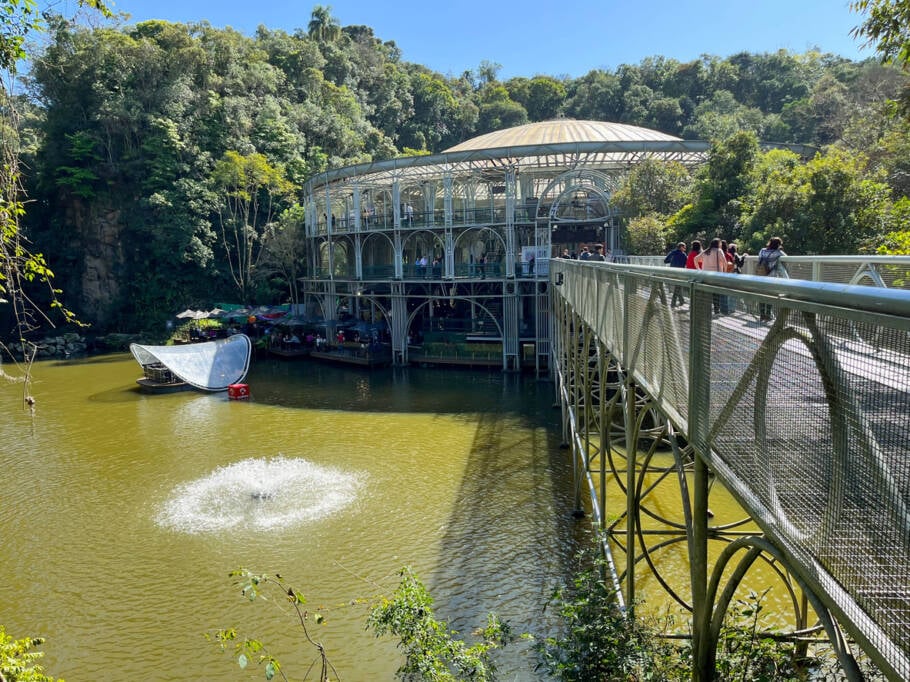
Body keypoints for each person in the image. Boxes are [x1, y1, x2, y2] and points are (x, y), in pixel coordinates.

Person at [757, 237, 786, 321]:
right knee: (770, 296)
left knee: (761, 295)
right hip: (771, 277)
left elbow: (759, 259)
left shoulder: (762, 250)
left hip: (761, 276)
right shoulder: (777, 252)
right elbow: (786, 257)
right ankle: (768, 315)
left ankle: (762, 315)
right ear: (778, 244)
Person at [695, 238, 727, 314]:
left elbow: (695, 259)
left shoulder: (706, 251)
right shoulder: (719, 251)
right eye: (720, 243)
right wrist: (724, 273)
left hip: (705, 275)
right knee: (716, 293)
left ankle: (706, 310)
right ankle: (716, 310)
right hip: (716, 275)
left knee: (707, 292)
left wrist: (699, 269)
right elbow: (725, 262)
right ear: (718, 244)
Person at [664, 242, 688, 308]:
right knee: (678, 286)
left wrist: (672, 261)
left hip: (672, 272)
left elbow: (665, 261)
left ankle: (681, 301)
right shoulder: (683, 254)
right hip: (680, 273)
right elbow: (687, 263)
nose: (685, 248)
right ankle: (673, 303)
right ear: (680, 247)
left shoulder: (672, 252)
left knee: (678, 286)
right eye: (684, 247)